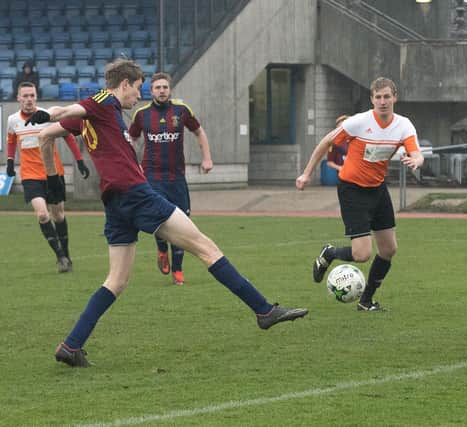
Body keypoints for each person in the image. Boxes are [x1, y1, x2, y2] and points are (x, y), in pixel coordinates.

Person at [31, 59, 308, 368]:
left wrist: (50, 175)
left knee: (117, 280)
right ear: (123, 85)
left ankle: (71, 345)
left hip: (115, 202)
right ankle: (264, 311)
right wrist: (52, 111)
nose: (138, 97)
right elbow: (66, 113)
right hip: (137, 194)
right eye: (137, 90)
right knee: (205, 247)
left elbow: (46, 135)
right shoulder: (104, 101)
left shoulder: (103, 116)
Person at [295, 77, 424, 311]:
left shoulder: (404, 125)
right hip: (352, 189)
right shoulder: (359, 122)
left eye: (387, 96)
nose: (383, 101)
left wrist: (416, 160)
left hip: (377, 189)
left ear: (395, 97)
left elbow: (416, 152)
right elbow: (325, 142)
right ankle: (330, 252)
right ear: (372, 99)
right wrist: (306, 174)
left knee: (388, 250)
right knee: (362, 254)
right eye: (378, 97)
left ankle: (365, 301)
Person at [129, 72, 213, 286]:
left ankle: (178, 269)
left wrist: (207, 158)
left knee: (183, 222)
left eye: (165, 87)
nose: (162, 91)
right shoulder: (141, 114)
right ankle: (161, 250)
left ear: (170, 89)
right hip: (152, 177)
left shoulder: (182, 111)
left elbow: (199, 132)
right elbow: (131, 140)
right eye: (157, 87)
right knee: (160, 219)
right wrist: (132, 164)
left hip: (176, 178)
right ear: (151, 91)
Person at [5, 82, 90, 273]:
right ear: (18, 98)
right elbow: (11, 140)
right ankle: (60, 256)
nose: (28, 99)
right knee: (43, 214)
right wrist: (10, 161)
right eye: (25, 96)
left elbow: (67, 136)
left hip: (53, 173)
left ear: (36, 97)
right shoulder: (12, 120)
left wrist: (79, 160)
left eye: (32, 96)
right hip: (30, 175)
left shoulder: (47, 116)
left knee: (58, 214)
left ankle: (67, 255)